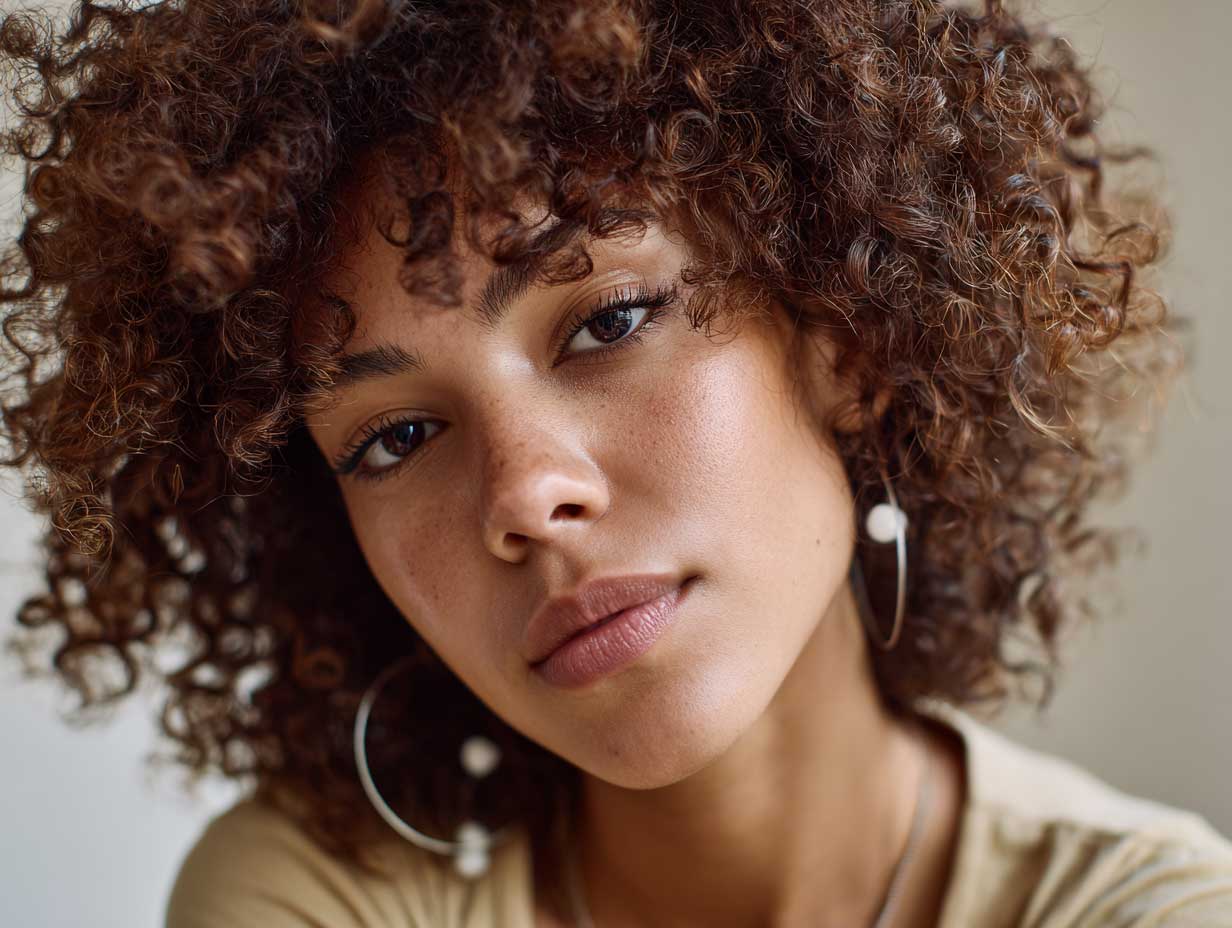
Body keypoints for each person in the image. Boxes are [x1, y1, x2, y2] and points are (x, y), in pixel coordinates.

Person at [1, 0, 1229, 925]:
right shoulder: (307, 898)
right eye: (395, 438)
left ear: (847, 340)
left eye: (608, 323)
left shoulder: (1149, 905)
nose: (526, 497)